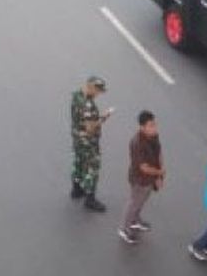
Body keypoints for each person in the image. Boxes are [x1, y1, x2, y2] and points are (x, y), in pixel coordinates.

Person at [118, 111, 165, 244]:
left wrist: (159, 175)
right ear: (142, 127)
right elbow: (143, 167)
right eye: (151, 125)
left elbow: (159, 152)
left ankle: (135, 220)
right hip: (139, 179)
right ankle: (124, 228)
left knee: (142, 200)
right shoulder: (137, 143)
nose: (154, 128)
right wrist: (159, 173)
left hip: (150, 178)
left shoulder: (154, 136)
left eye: (154, 124)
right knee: (134, 202)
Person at [70, 76, 112, 212]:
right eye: (98, 90)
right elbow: (90, 128)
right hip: (88, 141)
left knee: (79, 161)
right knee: (92, 167)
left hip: (77, 136)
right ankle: (90, 198)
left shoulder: (77, 96)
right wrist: (103, 118)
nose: (99, 94)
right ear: (91, 87)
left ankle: (76, 189)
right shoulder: (88, 104)